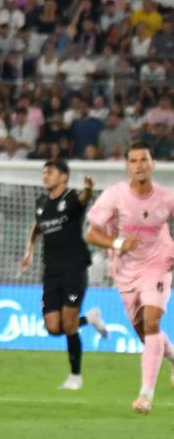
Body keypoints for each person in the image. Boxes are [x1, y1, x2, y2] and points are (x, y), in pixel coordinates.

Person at [85, 144, 174, 415]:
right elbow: (92, 234)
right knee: (146, 333)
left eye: (144, 160)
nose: (139, 165)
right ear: (127, 166)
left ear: (152, 164)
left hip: (158, 266)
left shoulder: (166, 198)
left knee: (151, 322)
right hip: (126, 272)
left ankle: (145, 395)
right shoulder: (115, 196)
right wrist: (119, 243)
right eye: (133, 161)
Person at [20, 159, 109, 390]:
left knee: (69, 326)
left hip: (74, 268)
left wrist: (88, 189)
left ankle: (75, 377)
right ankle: (90, 319)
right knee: (52, 327)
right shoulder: (41, 203)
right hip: (50, 271)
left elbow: (83, 199)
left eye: (50, 172)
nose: (45, 176)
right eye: (44, 172)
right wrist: (29, 251)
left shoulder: (71, 198)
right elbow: (36, 227)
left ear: (63, 177)